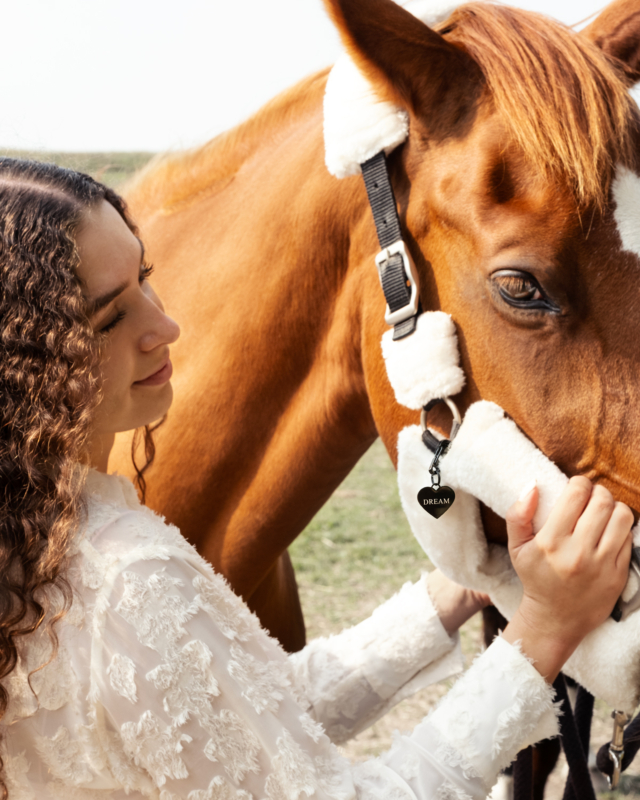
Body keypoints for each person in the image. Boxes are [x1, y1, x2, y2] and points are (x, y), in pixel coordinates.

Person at [0, 157, 633, 800]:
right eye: (112, 318)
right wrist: (543, 633)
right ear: (22, 364)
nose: (165, 326)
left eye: (145, 276)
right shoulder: (126, 578)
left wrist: (456, 592)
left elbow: (237, 719)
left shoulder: (32, 546)